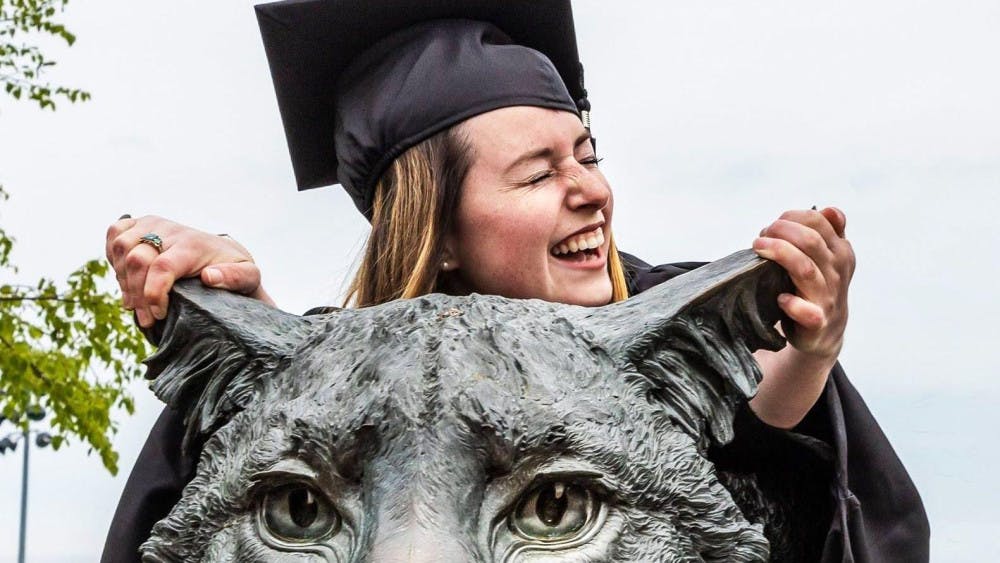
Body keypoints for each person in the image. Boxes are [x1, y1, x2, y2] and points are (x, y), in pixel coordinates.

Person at [101, 1, 928, 561]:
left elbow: (743, 438)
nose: (592, 191)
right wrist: (231, 310)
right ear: (440, 231)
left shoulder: (661, 315)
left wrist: (808, 353)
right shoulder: (330, 360)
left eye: (588, 155)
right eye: (537, 174)